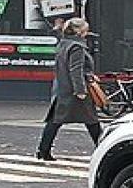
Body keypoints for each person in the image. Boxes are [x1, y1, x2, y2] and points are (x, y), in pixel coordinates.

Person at [37, 18, 101, 161]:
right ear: (78, 31)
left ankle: (43, 150)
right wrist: (80, 90)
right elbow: (75, 70)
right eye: (85, 29)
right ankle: (104, 149)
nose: (87, 32)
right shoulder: (77, 47)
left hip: (62, 88)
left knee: (55, 121)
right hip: (74, 90)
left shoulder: (64, 44)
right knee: (92, 121)